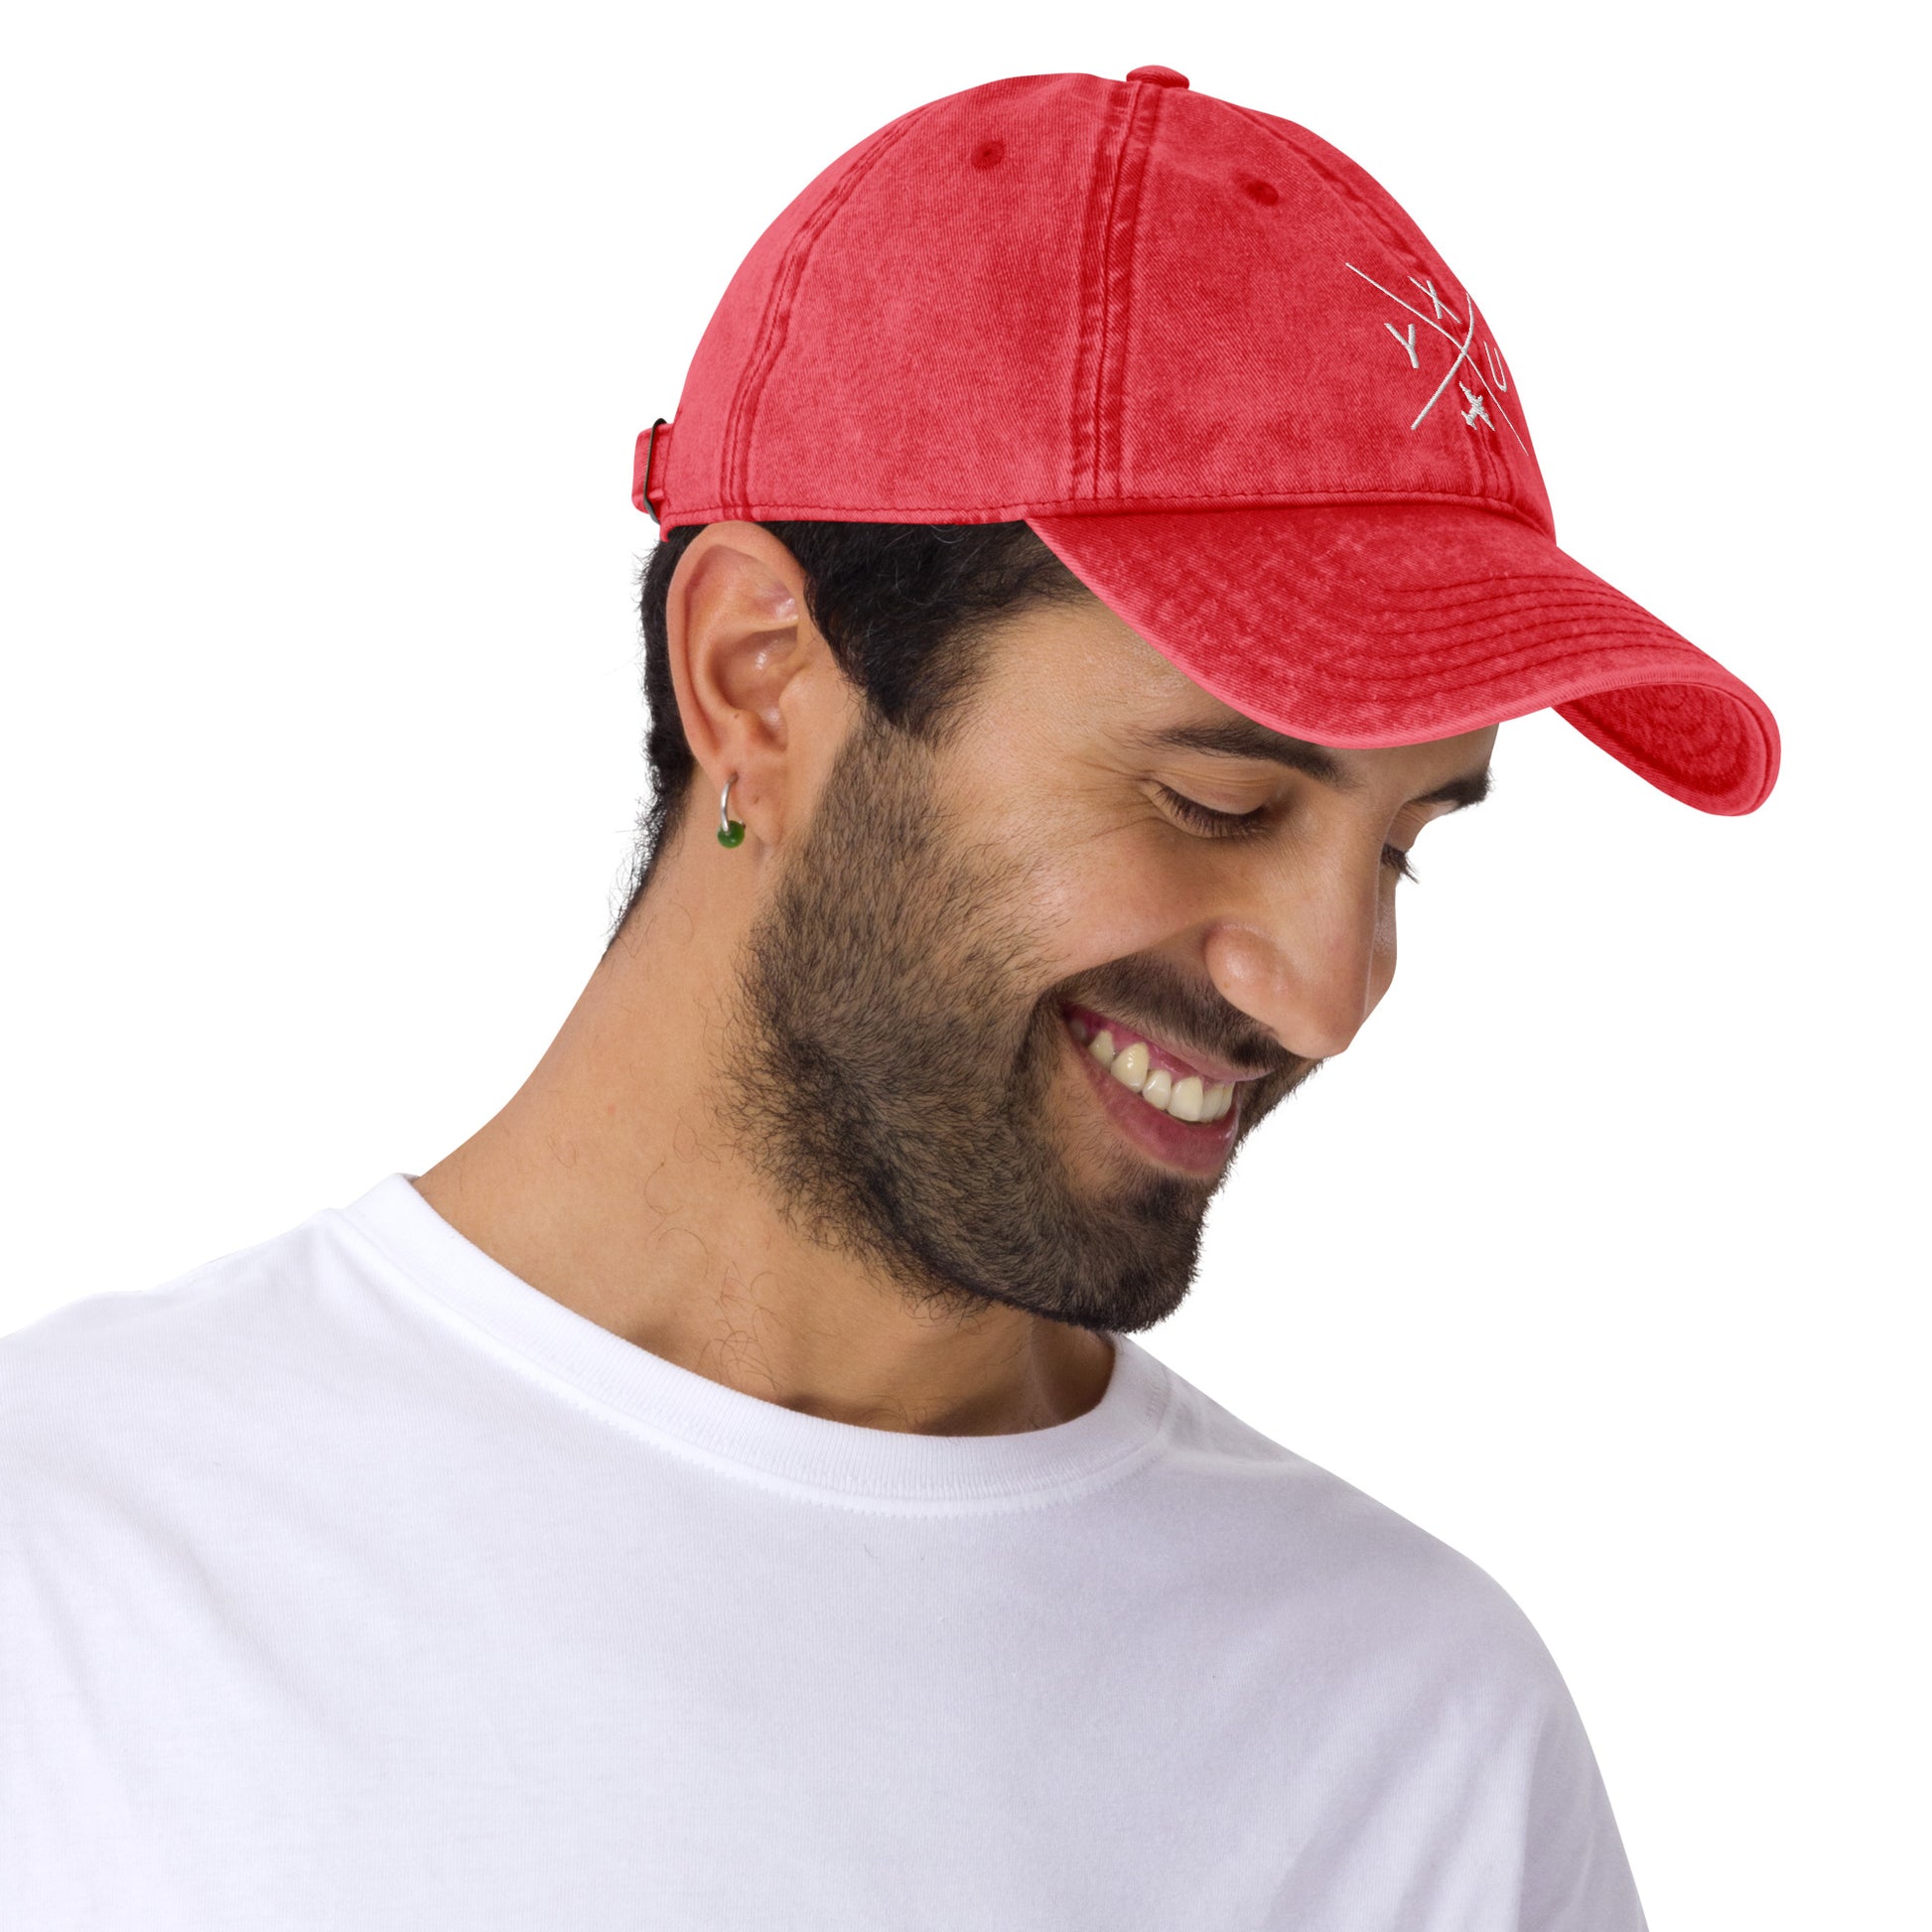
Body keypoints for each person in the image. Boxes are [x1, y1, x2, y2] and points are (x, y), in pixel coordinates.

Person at [0, 66, 1777, 1931]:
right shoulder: (76, 1580)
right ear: (756, 678)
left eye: (1402, 846)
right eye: (1216, 801)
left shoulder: (1418, 1740)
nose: (1326, 995)